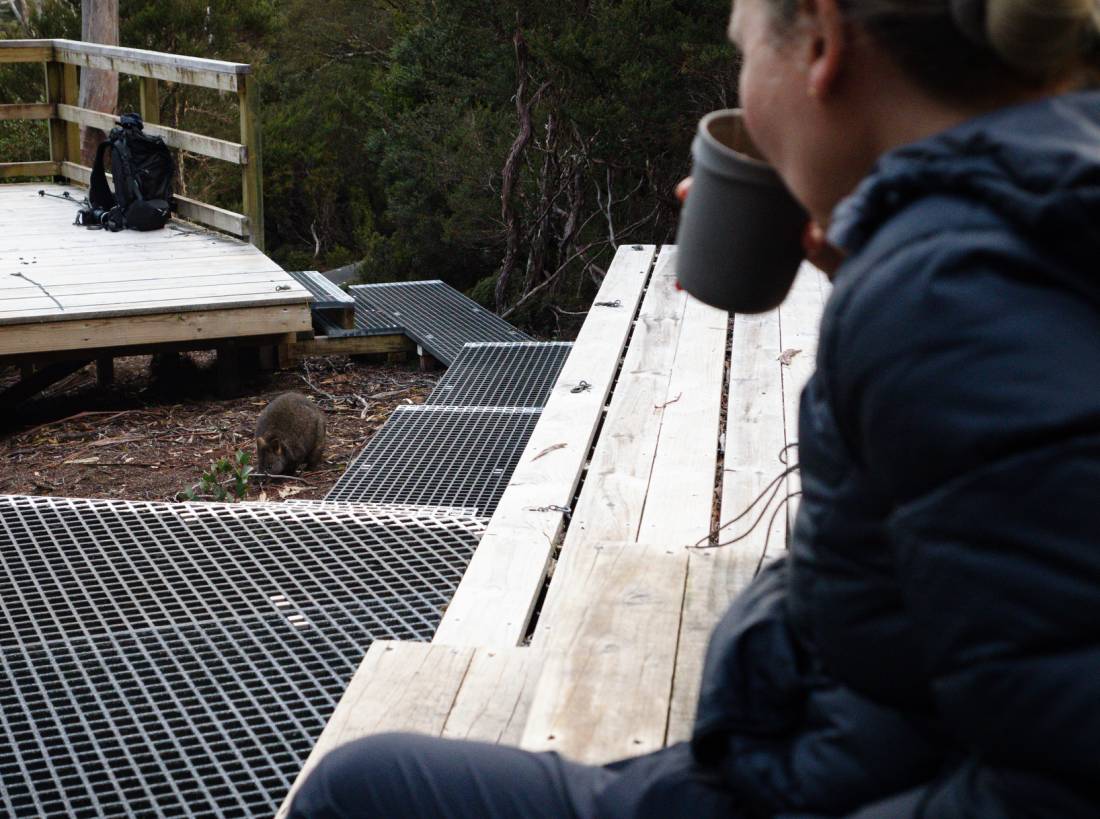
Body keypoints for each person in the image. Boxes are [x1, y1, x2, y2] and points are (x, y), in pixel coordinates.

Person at [289, 0, 1100, 816]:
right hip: (841, 754)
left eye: (744, 51)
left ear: (819, 41)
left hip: (821, 783)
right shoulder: (1020, 228)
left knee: (359, 790)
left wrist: (898, 291)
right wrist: (872, 254)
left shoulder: (953, 303)